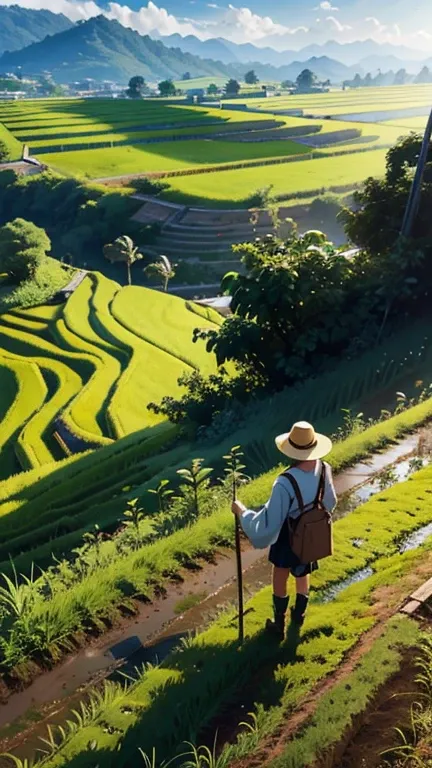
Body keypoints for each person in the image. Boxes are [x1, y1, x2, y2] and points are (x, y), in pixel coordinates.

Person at [232, 421, 337, 638]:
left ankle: (278, 624)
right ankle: (299, 614)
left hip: (289, 535)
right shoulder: (324, 468)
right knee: (302, 570)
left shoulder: (285, 482)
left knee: (280, 573)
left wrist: (242, 513)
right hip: (308, 533)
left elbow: (270, 522)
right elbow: (330, 501)